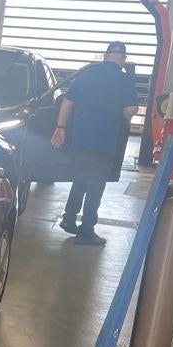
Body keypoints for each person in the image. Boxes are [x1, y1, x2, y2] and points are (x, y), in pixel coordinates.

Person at [50, 41, 139, 245]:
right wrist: (120, 114)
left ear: (106, 55)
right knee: (95, 187)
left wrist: (60, 127)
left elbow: (67, 102)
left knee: (80, 180)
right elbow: (130, 110)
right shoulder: (125, 79)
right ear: (123, 59)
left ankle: (69, 218)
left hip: (81, 139)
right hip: (104, 142)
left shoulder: (87, 74)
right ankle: (87, 231)